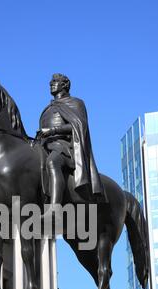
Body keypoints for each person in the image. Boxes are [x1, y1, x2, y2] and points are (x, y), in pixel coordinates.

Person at [37, 73, 105, 216]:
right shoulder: (47, 108)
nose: (51, 83)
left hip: (66, 147)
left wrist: (52, 131)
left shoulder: (76, 103)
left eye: (55, 81)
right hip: (45, 145)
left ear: (65, 85)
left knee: (52, 162)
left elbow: (79, 126)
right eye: (51, 81)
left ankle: (54, 209)